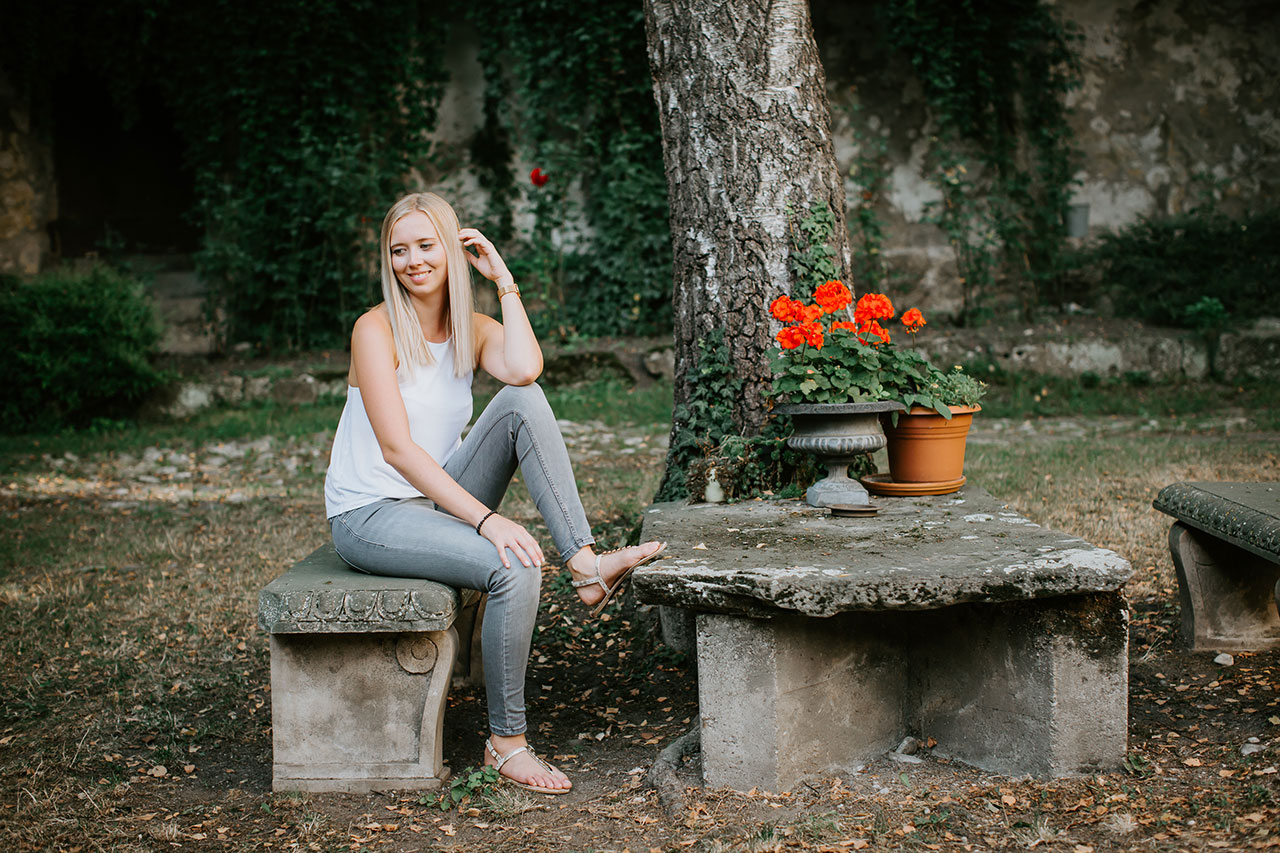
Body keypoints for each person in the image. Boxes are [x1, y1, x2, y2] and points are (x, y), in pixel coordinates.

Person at [324, 192, 666, 795]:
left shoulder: (470, 329)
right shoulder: (373, 330)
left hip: (431, 498)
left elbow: (526, 369)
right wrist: (487, 522)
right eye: (399, 250)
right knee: (515, 564)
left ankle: (585, 563)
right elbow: (399, 452)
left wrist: (505, 282)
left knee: (521, 402)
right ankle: (506, 745)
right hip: (371, 515)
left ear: (454, 249)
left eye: (427, 246)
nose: (413, 261)